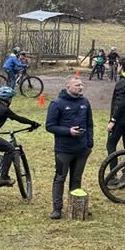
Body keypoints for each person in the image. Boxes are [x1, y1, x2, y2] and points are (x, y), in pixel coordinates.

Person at [44, 73, 94, 220]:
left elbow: (89, 124)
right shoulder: (57, 103)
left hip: (82, 149)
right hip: (64, 150)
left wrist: (89, 142)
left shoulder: (85, 102)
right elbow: (50, 126)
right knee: (60, 178)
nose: (81, 87)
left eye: (81, 85)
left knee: (76, 178)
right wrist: (68, 131)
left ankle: (76, 206)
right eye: (77, 85)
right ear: (68, 87)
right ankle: (57, 209)